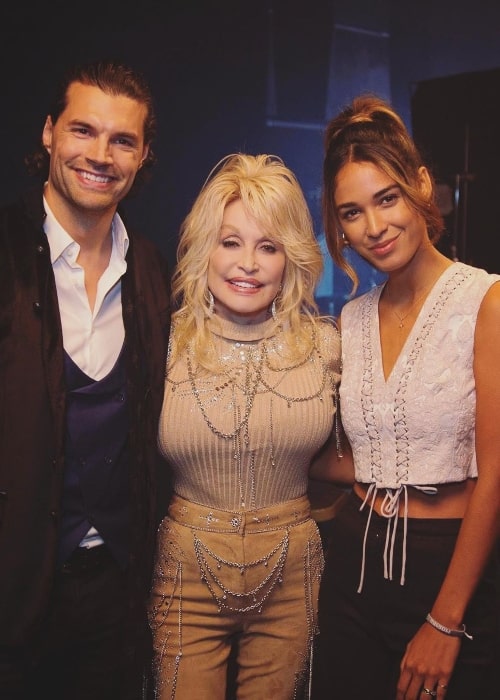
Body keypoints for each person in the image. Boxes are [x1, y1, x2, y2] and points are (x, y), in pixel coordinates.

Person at [311, 94, 500, 699]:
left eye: (386, 198)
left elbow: (496, 471)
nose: (374, 227)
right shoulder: (353, 318)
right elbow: (366, 451)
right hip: (354, 563)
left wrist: (445, 620)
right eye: (351, 212)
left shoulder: (486, 302)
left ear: (422, 185)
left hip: (449, 569)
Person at [148, 153, 351, 699]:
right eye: (230, 241)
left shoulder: (327, 344)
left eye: (268, 246)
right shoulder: (159, 344)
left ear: (291, 260)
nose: (248, 264)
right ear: (204, 249)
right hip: (184, 571)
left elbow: (361, 451)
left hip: (292, 570)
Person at [0, 60, 171, 699]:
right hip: (12, 596)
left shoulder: (154, 272)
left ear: (143, 154)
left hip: (116, 596)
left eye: (122, 140)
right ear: (48, 133)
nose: (100, 155)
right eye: (83, 131)